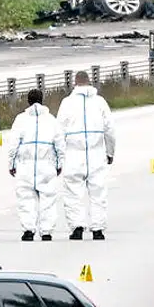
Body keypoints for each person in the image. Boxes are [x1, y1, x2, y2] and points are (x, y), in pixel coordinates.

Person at [55, 70, 116, 240]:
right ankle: (98, 229)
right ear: (90, 83)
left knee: (73, 193)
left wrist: (58, 158)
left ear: (75, 83)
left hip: (73, 154)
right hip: (96, 154)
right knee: (98, 193)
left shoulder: (67, 103)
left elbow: (58, 132)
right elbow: (110, 130)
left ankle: (77, 227)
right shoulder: (100, 102)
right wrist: (110, 152)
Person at [8, 88, 65, 241]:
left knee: (25, 200)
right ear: (42, 99)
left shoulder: (20, 119)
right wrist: (60, 163)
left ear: (28, 100)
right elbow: (60, 144)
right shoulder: (52, 120)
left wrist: (11, 163)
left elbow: (13, 144)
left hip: (25, 165)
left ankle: (28, 230)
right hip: (46, 165)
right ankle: (46, 231)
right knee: (48, 199)